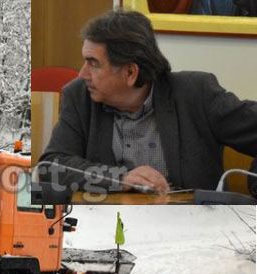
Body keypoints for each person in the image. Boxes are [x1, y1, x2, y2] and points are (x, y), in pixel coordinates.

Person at [39, 9, 257, 194]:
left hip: (194, 229)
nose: (82, 74)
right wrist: (119, 179)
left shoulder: (196, 93)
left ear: (130, 72)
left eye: (93, 63)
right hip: (108, 227)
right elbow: (50, 168)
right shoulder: (80, 97)